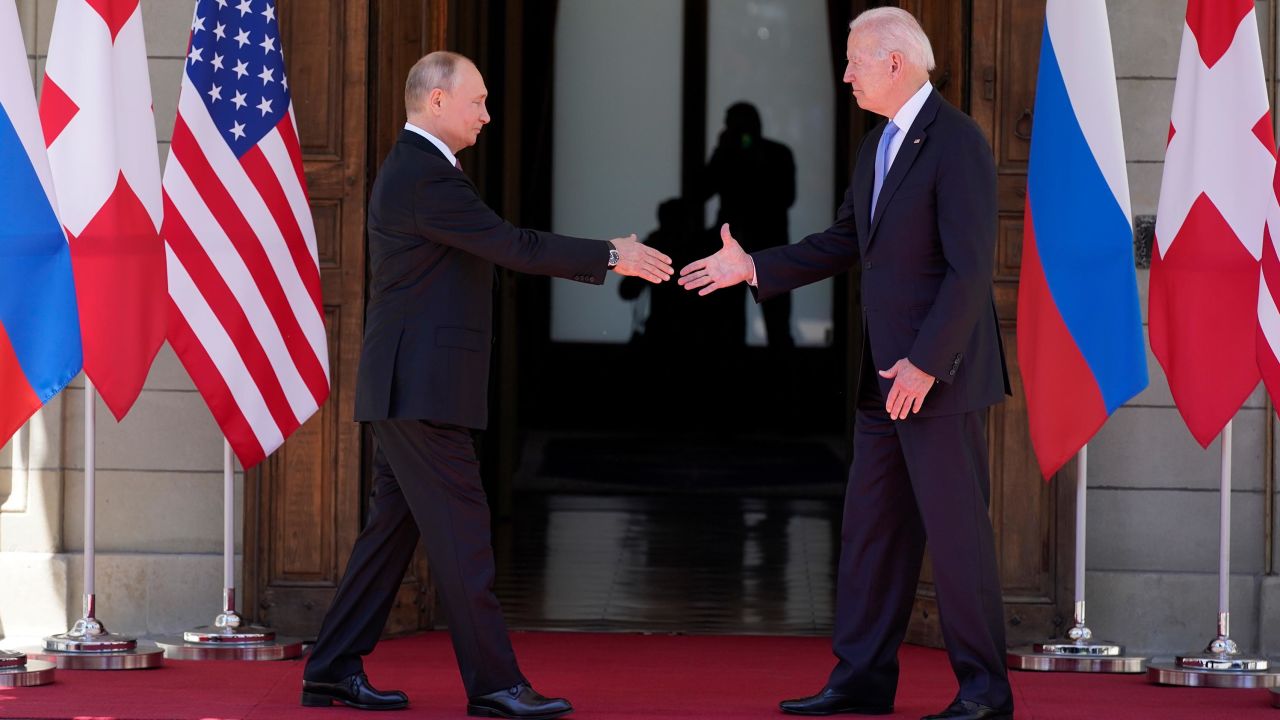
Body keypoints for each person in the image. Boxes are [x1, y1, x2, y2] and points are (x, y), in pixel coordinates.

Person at [300, 51, 672, 718]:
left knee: (391, 534)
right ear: (436, 100)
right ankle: (495, 685)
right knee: (467, 538)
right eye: (477, 100)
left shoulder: (427, 170)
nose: (487, 114)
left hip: (413, 386)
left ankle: (329, 668)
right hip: (421, 390)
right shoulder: (424, 175)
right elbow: (512, 245)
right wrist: (610, 255)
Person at [679, 8, 1012, 720]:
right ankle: (861, 678)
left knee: (957, 541)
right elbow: (841, 243)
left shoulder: (958, 143)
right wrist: (753, 268)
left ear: (895, 63)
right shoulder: (875, 148)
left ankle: (985, 690)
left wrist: (926, 362)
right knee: (871, 532)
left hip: (936, 380)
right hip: (882, 381)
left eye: (856, 61)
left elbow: (968, 271)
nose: (847, 74)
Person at [701, 102, 796, 348]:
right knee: (728, 323)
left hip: (770, 246)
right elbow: (699, 192)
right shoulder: (725, 155)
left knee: (777, 323)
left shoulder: (777, 154)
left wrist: (757, 163)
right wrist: (720, 154)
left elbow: (786, 197)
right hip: (730, 246)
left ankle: (783, 380)